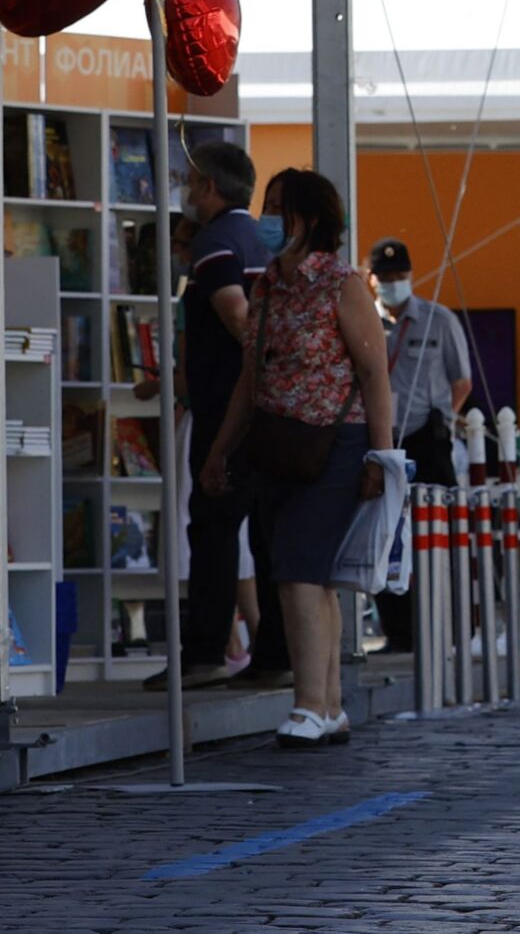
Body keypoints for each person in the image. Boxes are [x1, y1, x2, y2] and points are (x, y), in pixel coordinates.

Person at [198, 168, 394, 748]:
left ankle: (308, 705)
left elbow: (374, 373)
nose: (268, 217)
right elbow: (250, 378)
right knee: (314, 578)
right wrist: (219, 450)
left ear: (311, 218)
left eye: (280, 206)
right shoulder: (267, 287)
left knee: (297, 574)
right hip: (277, 445)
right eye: (268, 203)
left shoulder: (342, 283)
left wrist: (381, 456)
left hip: (336, 444)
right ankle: (328, 706)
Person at [152, 139, 288, 691]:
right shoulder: (262, 240)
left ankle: (205, 652)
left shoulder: (214, 242)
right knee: (267, 535)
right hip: (271, 412)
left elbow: (235, 315)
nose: (187, 192)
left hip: (228, 409)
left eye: (190, 182)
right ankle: (276, 655)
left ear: (209, 187)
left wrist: (262, 368)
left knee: (212, 528)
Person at [368, 237, 472, 653]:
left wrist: (443, 416)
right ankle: (399, 631)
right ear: (372, 279)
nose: (393, 282)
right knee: (385, 536)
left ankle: (451, 626)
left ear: (411, 275)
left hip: (426, 439)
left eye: (399, 275)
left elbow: (461, 381)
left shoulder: (438, 320)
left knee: (441, 533)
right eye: (385, 276)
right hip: (380, 440)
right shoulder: (364, 321)